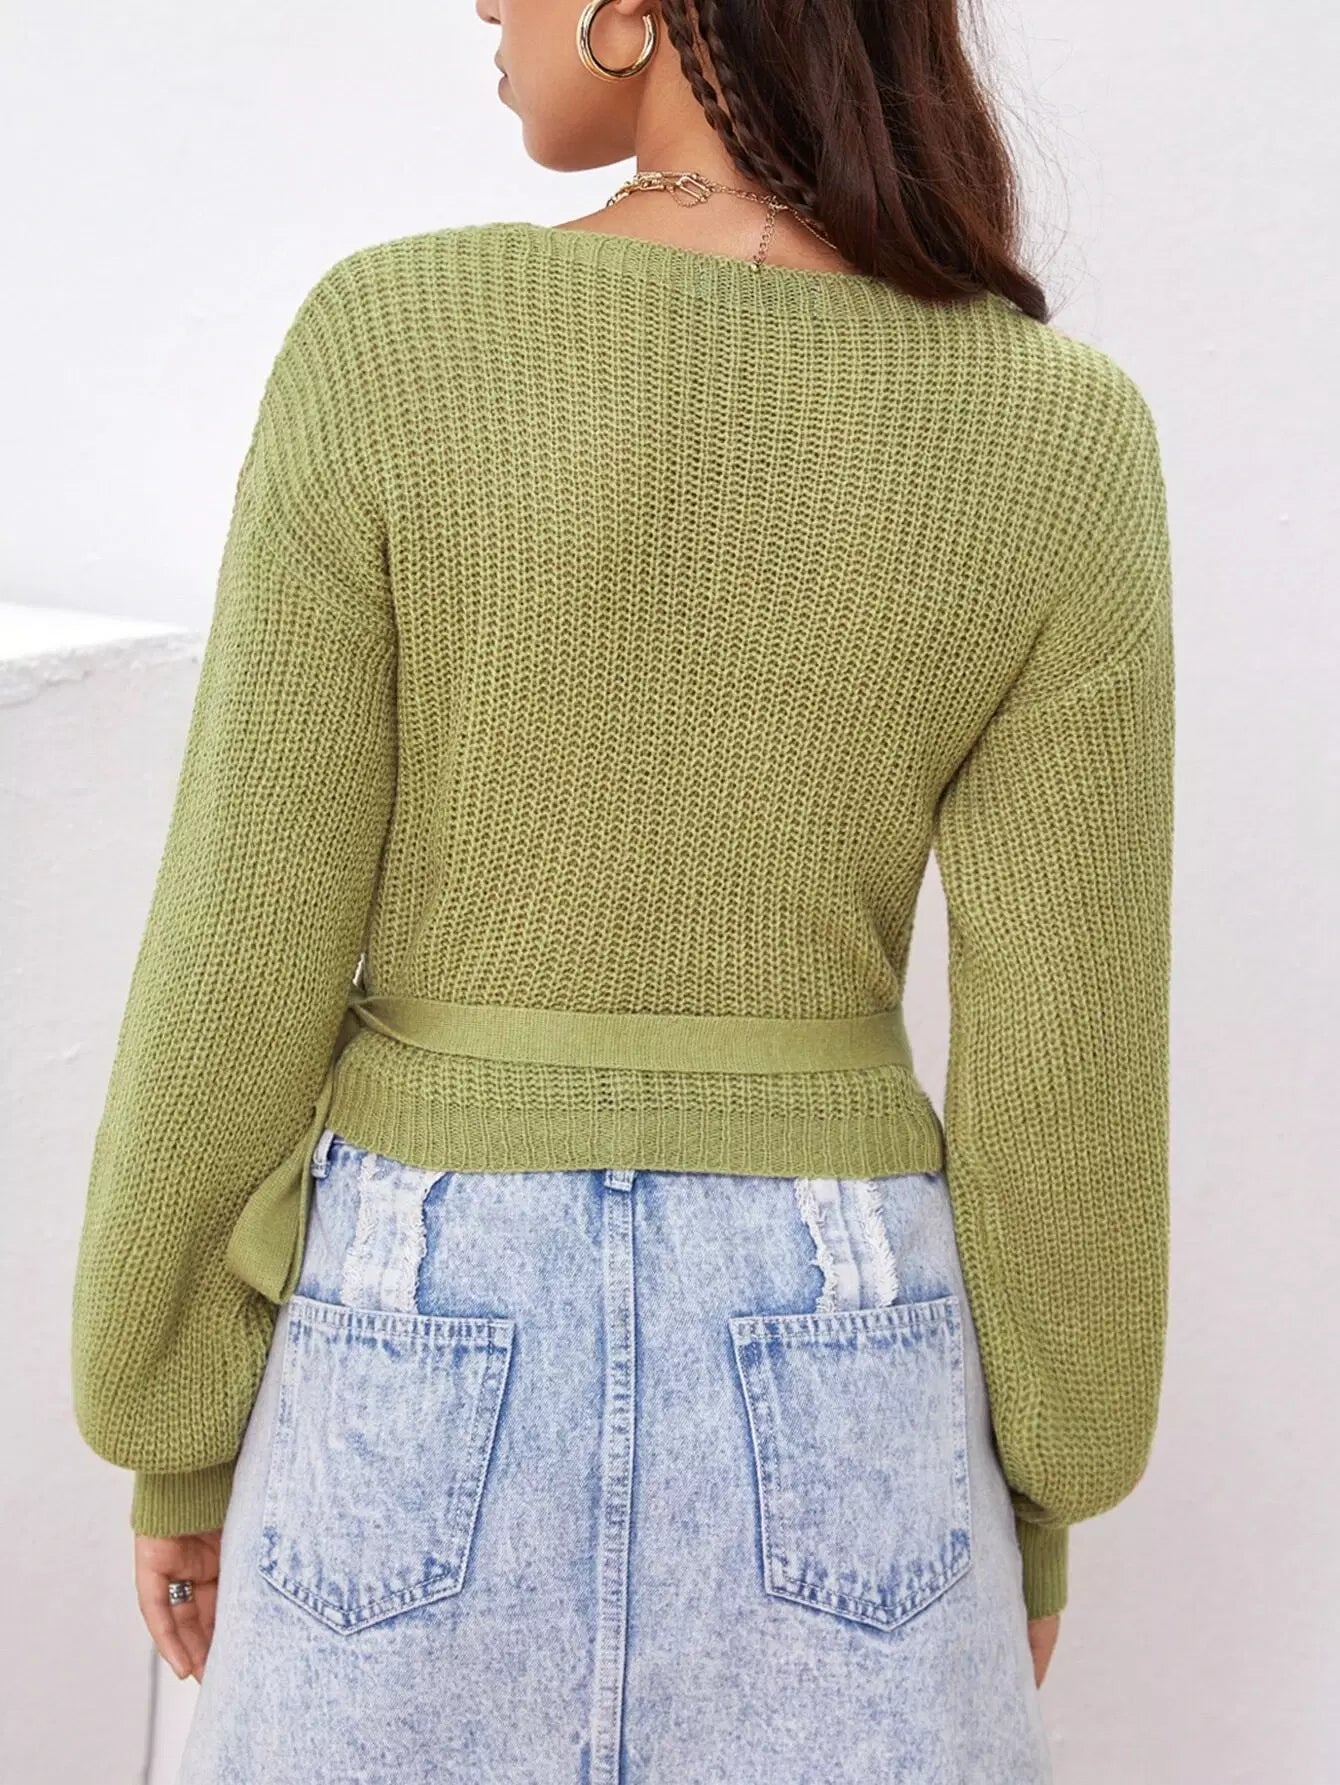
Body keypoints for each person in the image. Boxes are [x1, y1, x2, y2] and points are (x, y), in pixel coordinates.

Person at [69, 0, 1174, 1776]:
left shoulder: (394, 342)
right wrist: (1037, 1491)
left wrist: (174, 1421)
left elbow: (244, 937)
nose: (482, 6)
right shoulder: (1060, 434)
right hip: (850, 1344)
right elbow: (1070, 1055)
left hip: (415, 1317)